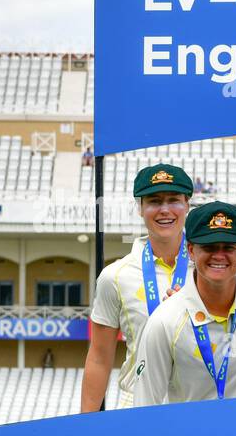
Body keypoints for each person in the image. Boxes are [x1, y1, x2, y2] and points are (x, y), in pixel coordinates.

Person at [133, 201, 236, 405]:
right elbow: (146, 404)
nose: (219, 255)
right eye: (209, 247)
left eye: (228, 247)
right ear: (191, 250)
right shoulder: (165, 322)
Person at [82, 163, 194, 411]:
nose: (164, 210)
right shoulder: (115, 276)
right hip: (137, 405)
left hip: (199, 404)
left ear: (187, 205)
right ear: (140, 208)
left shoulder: (213, 267)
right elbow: (99, 358)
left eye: (174, 200)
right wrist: (86, 426)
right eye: (154, 201)